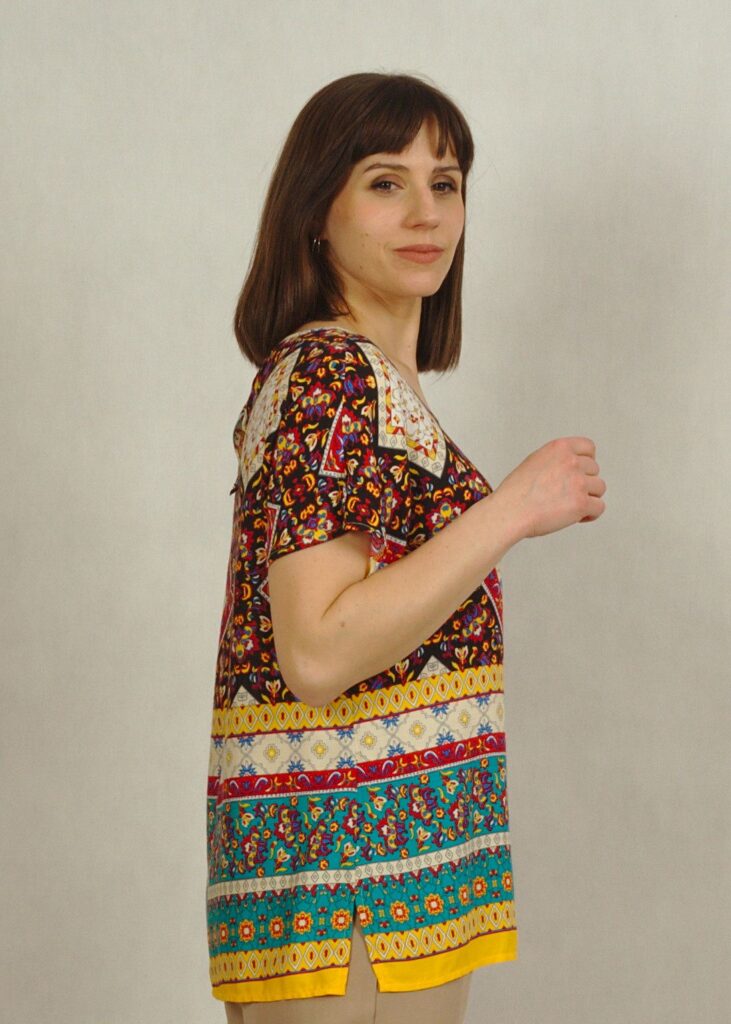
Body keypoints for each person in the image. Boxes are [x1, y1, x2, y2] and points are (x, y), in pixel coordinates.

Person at [206, 72, 606, 1024]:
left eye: (446, 182)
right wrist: (511, 508)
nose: (426, 212)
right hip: (349, 864)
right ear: (318, 211)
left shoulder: (371, 380)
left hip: (400, 863)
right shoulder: (329, 377)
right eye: (386, 182)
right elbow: (316, 653)